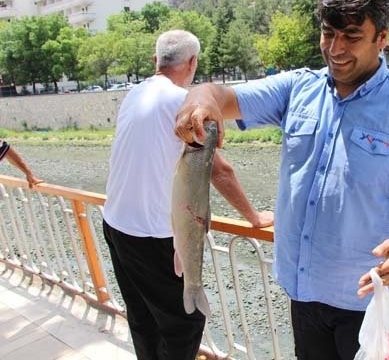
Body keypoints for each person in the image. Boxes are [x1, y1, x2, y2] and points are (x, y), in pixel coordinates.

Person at [175, 0, 389, 360]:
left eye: (352, 36)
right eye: (328, 34)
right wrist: (197, 101)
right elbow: (218, 95)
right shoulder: (297, 89)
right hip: (304, 292)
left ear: (382, 38)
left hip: (369, 299)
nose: (336, 48)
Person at [102, 30, 273, 360]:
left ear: (156, 61)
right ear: (193, 63)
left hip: (116, 224)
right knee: (185, 324)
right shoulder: (182, 104)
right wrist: (254, 217)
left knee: (142, 318)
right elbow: (218, 169)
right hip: (151, 235)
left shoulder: (135, 93)